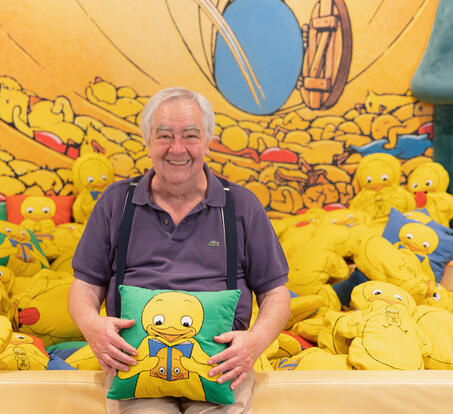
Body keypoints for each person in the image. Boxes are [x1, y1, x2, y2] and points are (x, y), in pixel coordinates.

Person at [69, 87, 290, 413]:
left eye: (190, 136)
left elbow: (276, 293)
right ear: (148, 142)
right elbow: (85, 286)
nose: (177, 148)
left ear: (208, 142)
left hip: (220, 371)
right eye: (164, 136)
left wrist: (254, 343)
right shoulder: (116, 202)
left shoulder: (242, 206)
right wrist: (92, 326)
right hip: (136, 370)